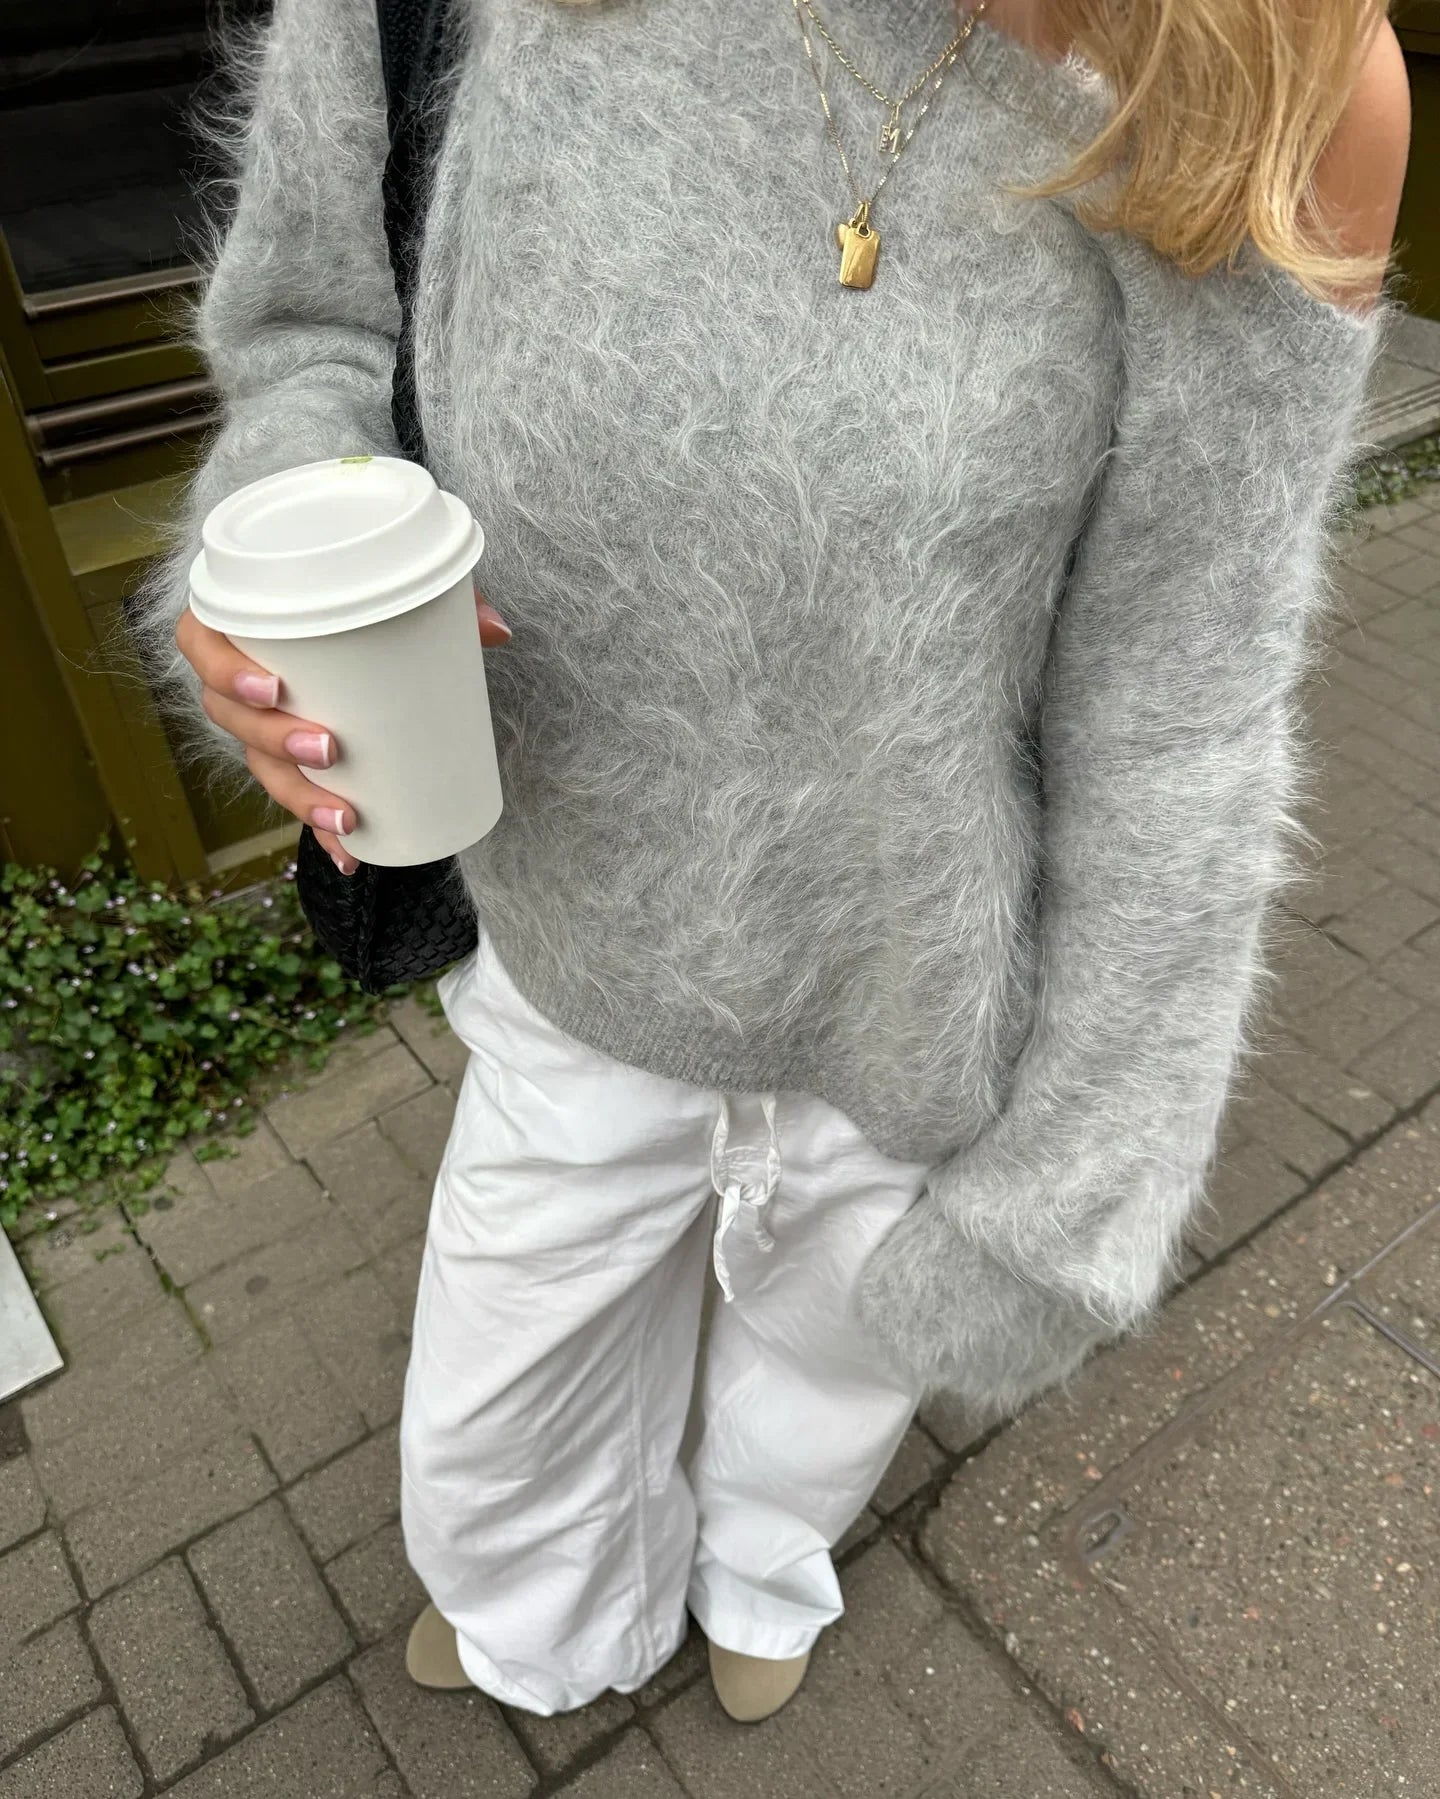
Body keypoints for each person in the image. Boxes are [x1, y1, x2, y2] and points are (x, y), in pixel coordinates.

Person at [135, 0, 1410, 1727]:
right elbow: (311, 329)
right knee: (504, 1391)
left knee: (835, 1362)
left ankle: (762, 1565)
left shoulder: (1260, 63)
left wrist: (1096, 1149)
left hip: (926, 967)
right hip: (577, 926)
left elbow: (1180, 678)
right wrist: (292, 540)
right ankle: (541, 1607)